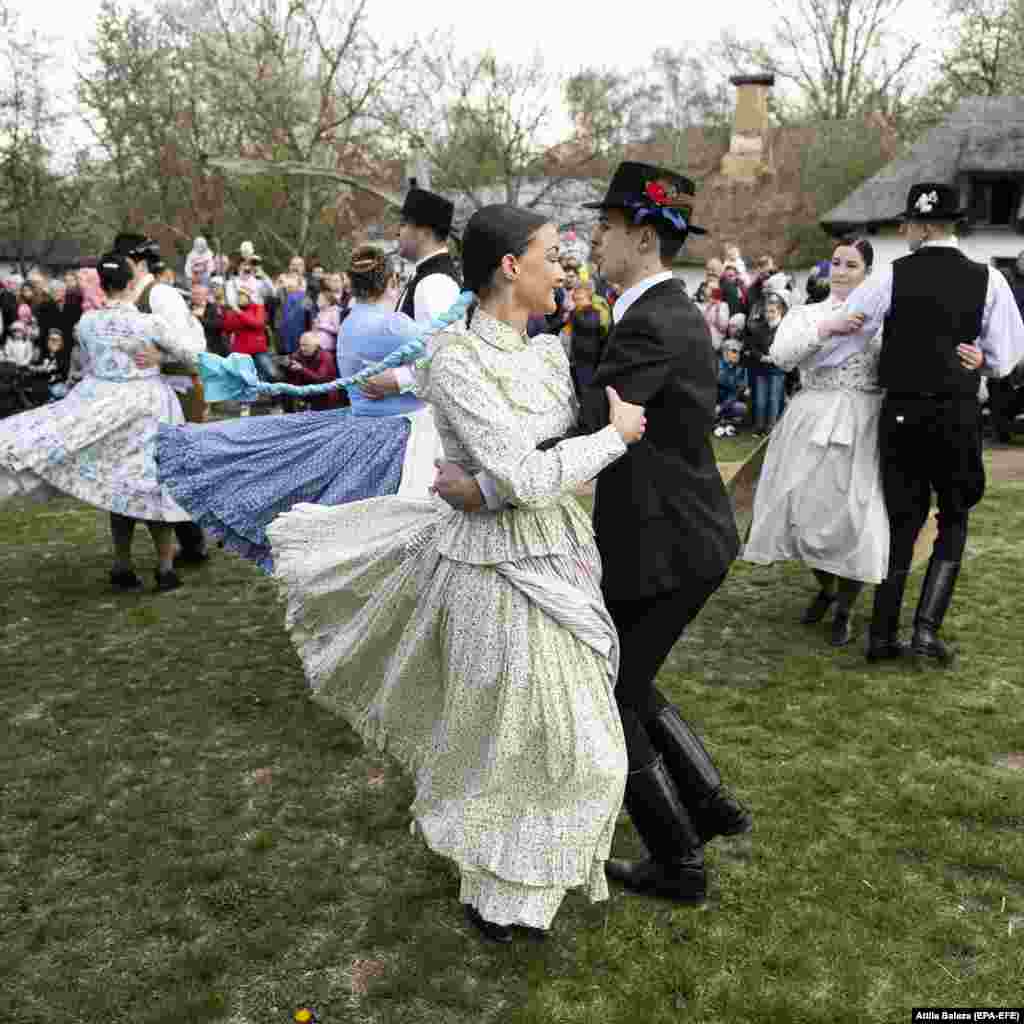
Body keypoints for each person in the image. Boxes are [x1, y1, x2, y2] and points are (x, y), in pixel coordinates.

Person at [263, 204, 645, 941]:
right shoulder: (455, 359)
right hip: (490, 571)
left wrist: (493, 485)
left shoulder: (547, 354)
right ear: (511, 267)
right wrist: (612, 439)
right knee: (499, 740)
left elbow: (527, 473)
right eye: (551, 255)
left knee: (581, 743)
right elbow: (531, 472)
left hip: (556, 554)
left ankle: (521, 879)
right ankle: (496, 892)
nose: (564, 268)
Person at [431, 163, 750, 904]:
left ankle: (678, 860)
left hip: (666, 542)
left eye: (604, 228)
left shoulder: (652, 320)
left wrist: (484, 484)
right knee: (628, 675)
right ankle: (707, 803)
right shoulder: (660, 310)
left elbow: (582, 424)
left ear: (641, 235)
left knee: (612, 690)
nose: (592, 243)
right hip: (679, 535)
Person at [817, 184, 1024, 665]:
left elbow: (852, 327)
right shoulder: (987, 279)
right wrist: (984, 363)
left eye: (908, 223)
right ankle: (926, 629)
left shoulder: (891, 275)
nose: (904, 230)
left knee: (901, 520)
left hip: (904, 411)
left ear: (926, 225)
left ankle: (882, 635)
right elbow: (1007, 355)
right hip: (956, 411)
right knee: (954, 516)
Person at [155, 245, 445, 572]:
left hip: (358, 427)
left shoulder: (350, 321)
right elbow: (443, 363)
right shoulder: (396, 326)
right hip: (395, 437)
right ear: (391, 280)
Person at [0, 252, 202, 591]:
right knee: (155, 484)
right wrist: (162, 356)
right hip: (147, 404)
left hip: (102, 400)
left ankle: (122, 565)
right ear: (130, 282)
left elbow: (96, 360)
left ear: (103, 284)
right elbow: (194, 358)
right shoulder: (148, 324)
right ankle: (165, 568)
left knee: (117, 484)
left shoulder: (86, 323)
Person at [743, 238, 888, 646]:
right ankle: (826, 587)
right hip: (812, 414)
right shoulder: (807, 314)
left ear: (866, 273)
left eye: (851, 265)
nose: (840, 271)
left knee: (854, 516)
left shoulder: (882, 317)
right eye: (836, 263)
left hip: (862, 418)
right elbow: (782, 355)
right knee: (803, 510)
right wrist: (828, 328)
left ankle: (845, 605)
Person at [114, 234, 211, 567]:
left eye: (121, 259)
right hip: (149, 394)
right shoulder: (128, 297)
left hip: (179, 389)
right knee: (153, 468)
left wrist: (161, 359)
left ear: (137, 261)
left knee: (179, 466)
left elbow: (193, 352)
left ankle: (194, 541)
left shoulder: (162, 294)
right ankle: (183, 542)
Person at [395, 187, 460, 324]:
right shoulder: (428, 276)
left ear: (425, 232)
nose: (397, 232)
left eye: (403, 224)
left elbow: (440, 344)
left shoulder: (435, 284)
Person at [744, 278, 791, 434]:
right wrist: (761, 357)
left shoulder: (784, 328)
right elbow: (753, 346)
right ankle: (759, 427)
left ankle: (771, 428)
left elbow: (787, 348)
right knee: (761, 399)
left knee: (774, 399)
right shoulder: (760, 327)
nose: (769, 314)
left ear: (780, 312)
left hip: (777, 369)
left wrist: (774, 358)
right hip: (762, 367)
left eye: (772, 311)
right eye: (767, 311)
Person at [284, 330, 340, 410]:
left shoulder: (326, 357)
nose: (302, 348)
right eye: (300, 345)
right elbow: (291, 375)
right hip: (306, 392)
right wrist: (286, 365)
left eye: (305, 345)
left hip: (325, 394)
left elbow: (321, 379)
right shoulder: (298, 354)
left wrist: (302, 369)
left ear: (315, 345)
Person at [716, 340, 748, 433]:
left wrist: (721, 407)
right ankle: (718, 421)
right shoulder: (714, 365)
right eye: (734, 351)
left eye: (739, 352)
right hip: (712, 401)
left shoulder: (741, 370)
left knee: (741, 407)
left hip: (727, 403)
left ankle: (723, 420)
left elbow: (736, 393)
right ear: (725, 352)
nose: (737, 354)